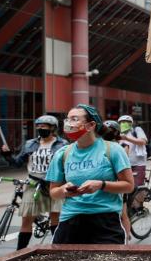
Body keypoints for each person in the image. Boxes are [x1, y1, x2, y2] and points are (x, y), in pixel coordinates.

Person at [46, 104, 133, 244]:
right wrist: (64, 190)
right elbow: (53, 192)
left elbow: (128, 186)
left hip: (105, 221)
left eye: (74, 119)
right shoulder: (62, 154)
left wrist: (101, 185)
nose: (69, 124)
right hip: (70, 221)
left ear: (91, 125)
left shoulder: (113, 150)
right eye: (67, 119)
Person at [1, 115, 67, 249]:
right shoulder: (30, 144)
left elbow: (66, 165)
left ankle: (58, 250)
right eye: (38, 126)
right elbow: (17, 163)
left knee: (55, 217)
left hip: (53, 182)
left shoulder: (63, 144)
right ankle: (19, 252)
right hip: (33, 183)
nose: (40, 128)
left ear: (53, 128)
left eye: (44, 126)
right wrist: (7, 155)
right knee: (27, 218)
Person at [118, 115, 148, 187]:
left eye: (125, 122)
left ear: (130, 123)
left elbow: (143, 141)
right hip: (126, 166)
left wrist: (127, 138)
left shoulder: (136, 130)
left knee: (138, 188)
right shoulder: (120, 134)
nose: (122, 124)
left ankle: (141, 197)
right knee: (127, 187)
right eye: (121, 122)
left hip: (138, 164)